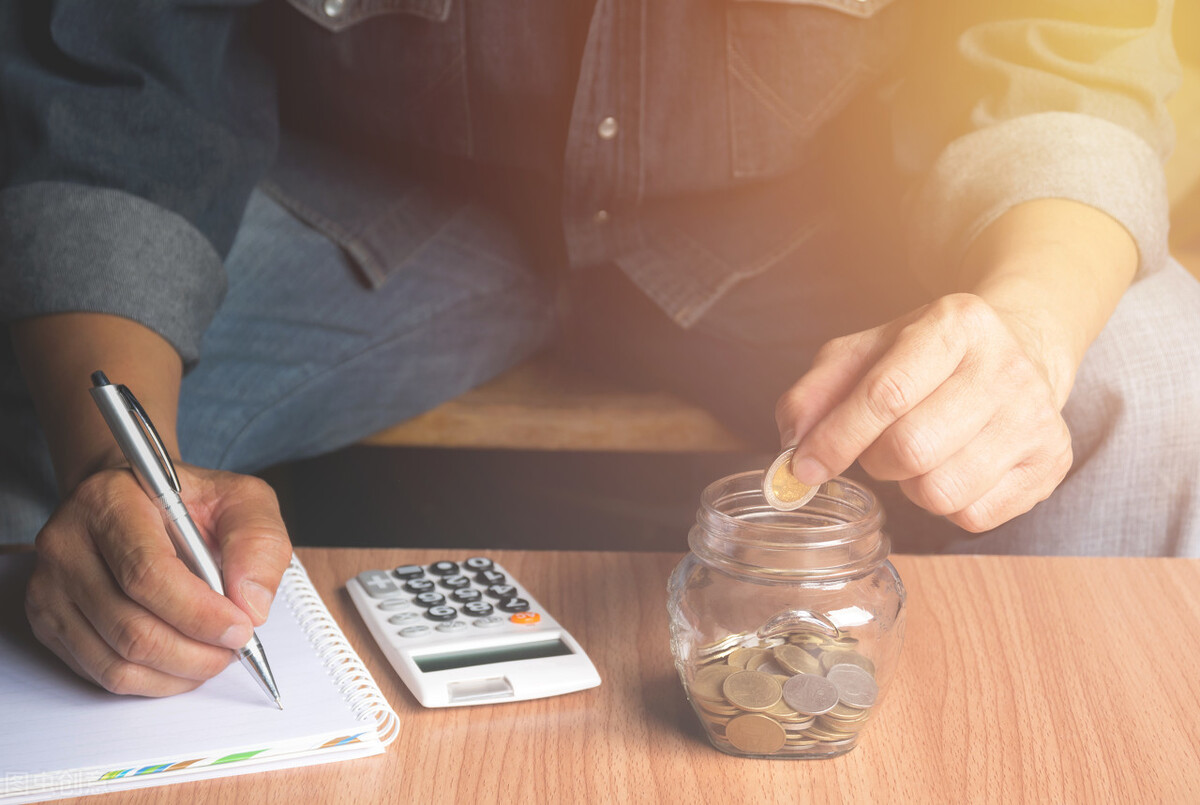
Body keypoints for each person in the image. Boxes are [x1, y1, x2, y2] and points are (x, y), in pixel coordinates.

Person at [1, 0, 1196, 699]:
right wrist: (114, 465)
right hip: (379, 191)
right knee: (39, 390)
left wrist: (1031, 322)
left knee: (1146, 374)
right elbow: (120, 81)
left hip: (807, 214)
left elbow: (1062, 41)